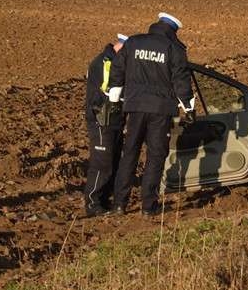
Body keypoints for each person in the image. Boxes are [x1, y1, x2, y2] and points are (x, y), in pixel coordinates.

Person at [107, 12, 194, 217]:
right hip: (161, 111)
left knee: (129, 155)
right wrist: (189, 110)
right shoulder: (174, 49)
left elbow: (117, 70)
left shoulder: (133, 42)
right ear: (173, 30)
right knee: (155, 157)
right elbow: (181, 81)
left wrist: (114, 100)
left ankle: (119, 204)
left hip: (135, 106)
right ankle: (148, 206)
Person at [83, 33, 128, 217]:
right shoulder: (106, 63)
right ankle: (93, 204)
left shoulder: (110, 60)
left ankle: (103, 201)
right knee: (102, 163)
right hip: (102, 121)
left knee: (112, 160)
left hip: (112, 120)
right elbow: (111, 91)